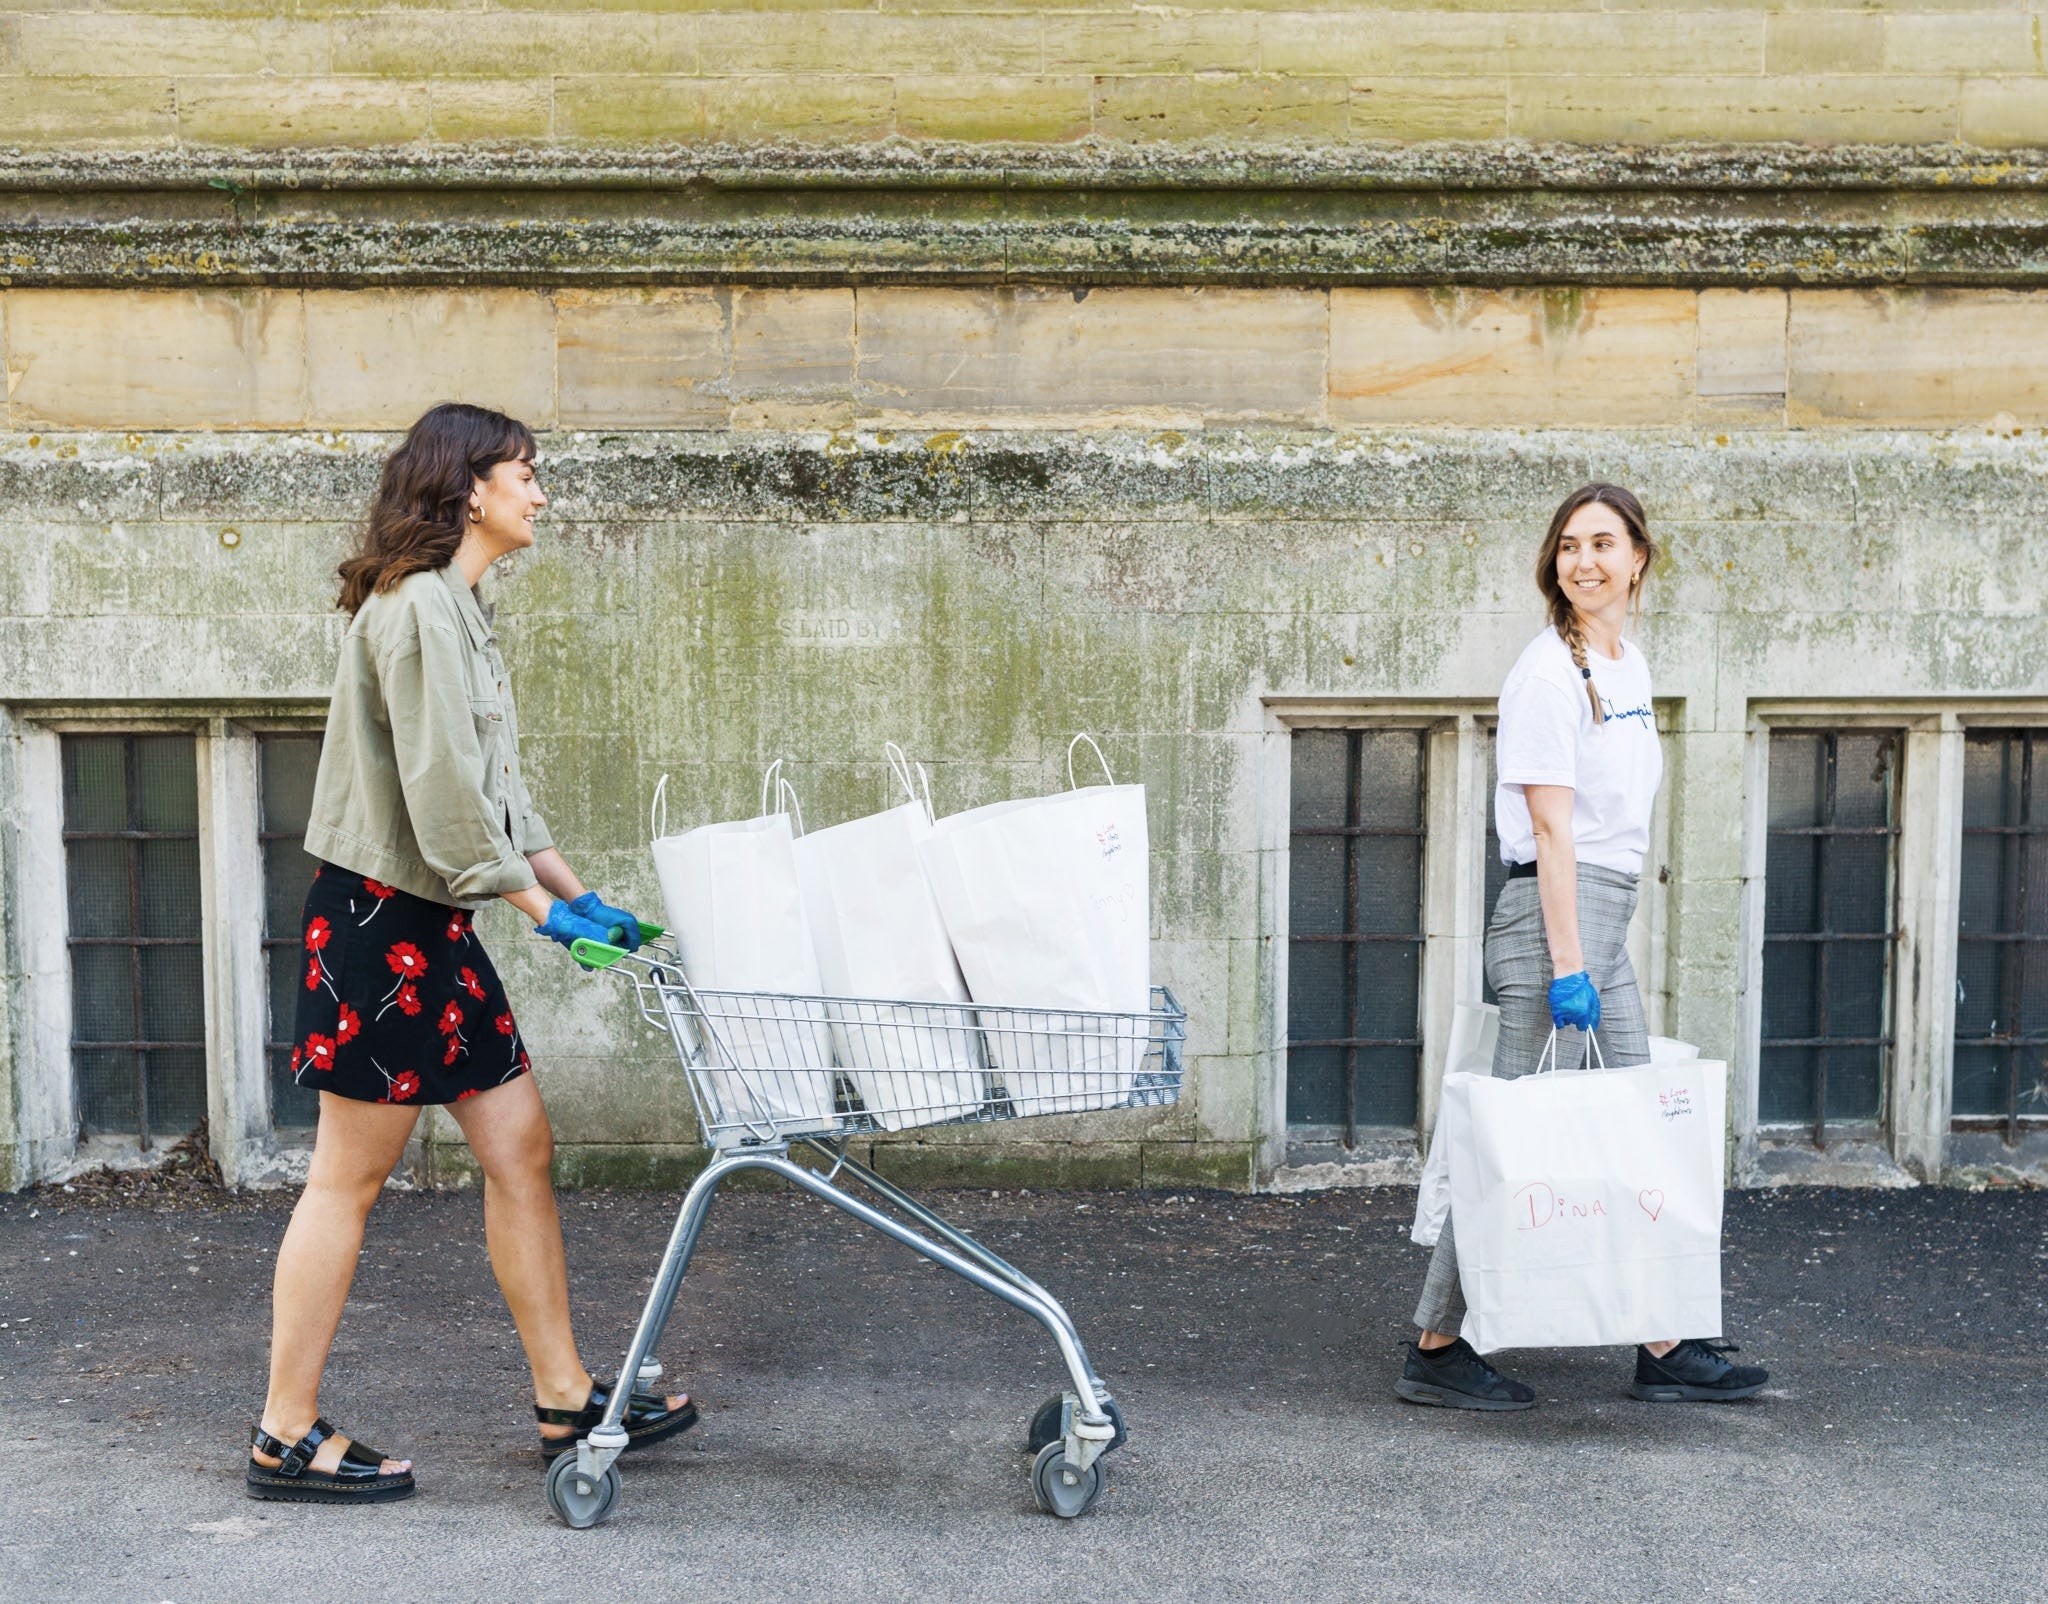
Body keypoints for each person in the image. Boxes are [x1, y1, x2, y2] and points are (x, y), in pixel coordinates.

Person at [246, 403, 696, 1503]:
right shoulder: (414, 611)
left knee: (519, 1146)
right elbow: (444, 800)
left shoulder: (461, 604)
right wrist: (540, 918)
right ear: (468, 488)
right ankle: (284, 1429)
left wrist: (582, 895)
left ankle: (563, 1393)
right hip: (382, 921)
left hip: (436, 917)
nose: (540, 493)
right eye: (526, 474)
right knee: (346, 1179)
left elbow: (501, 788)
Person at [1395, 483, 1768, 1411]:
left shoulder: (1625, 665)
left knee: (1637, 1119)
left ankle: (1663, 1339)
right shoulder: (1544, 675)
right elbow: (1553, 836)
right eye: (1568, 546)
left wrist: (1598, 947)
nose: (1583, 561)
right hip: (1552, 921)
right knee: (1509, 1139)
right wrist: (1569, 967)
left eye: (1603, 543)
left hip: (1603, 913)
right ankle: (1437, 1347)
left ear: (1640, 556)